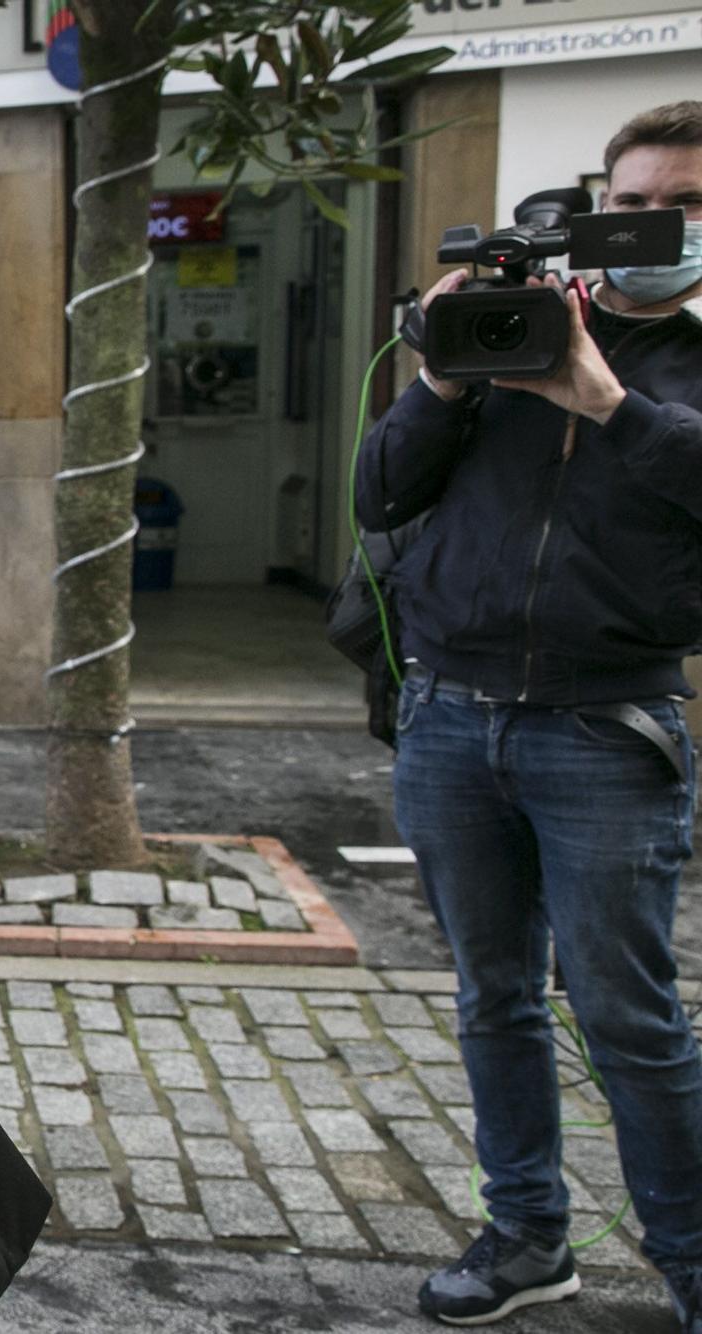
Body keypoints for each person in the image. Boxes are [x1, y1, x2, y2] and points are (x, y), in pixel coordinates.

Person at [357, 100, 702, 1332]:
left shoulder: (678, 371)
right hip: (450, 716)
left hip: (604, 729)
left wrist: (606, 401)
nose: (653, 227)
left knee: (626, 1012)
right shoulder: (506, 335)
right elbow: (378, 490)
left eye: (684, 207)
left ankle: (688, 1257)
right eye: (631, 204)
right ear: (593, 210)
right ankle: (524, 1235)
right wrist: (446, 380)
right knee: (492, 993)